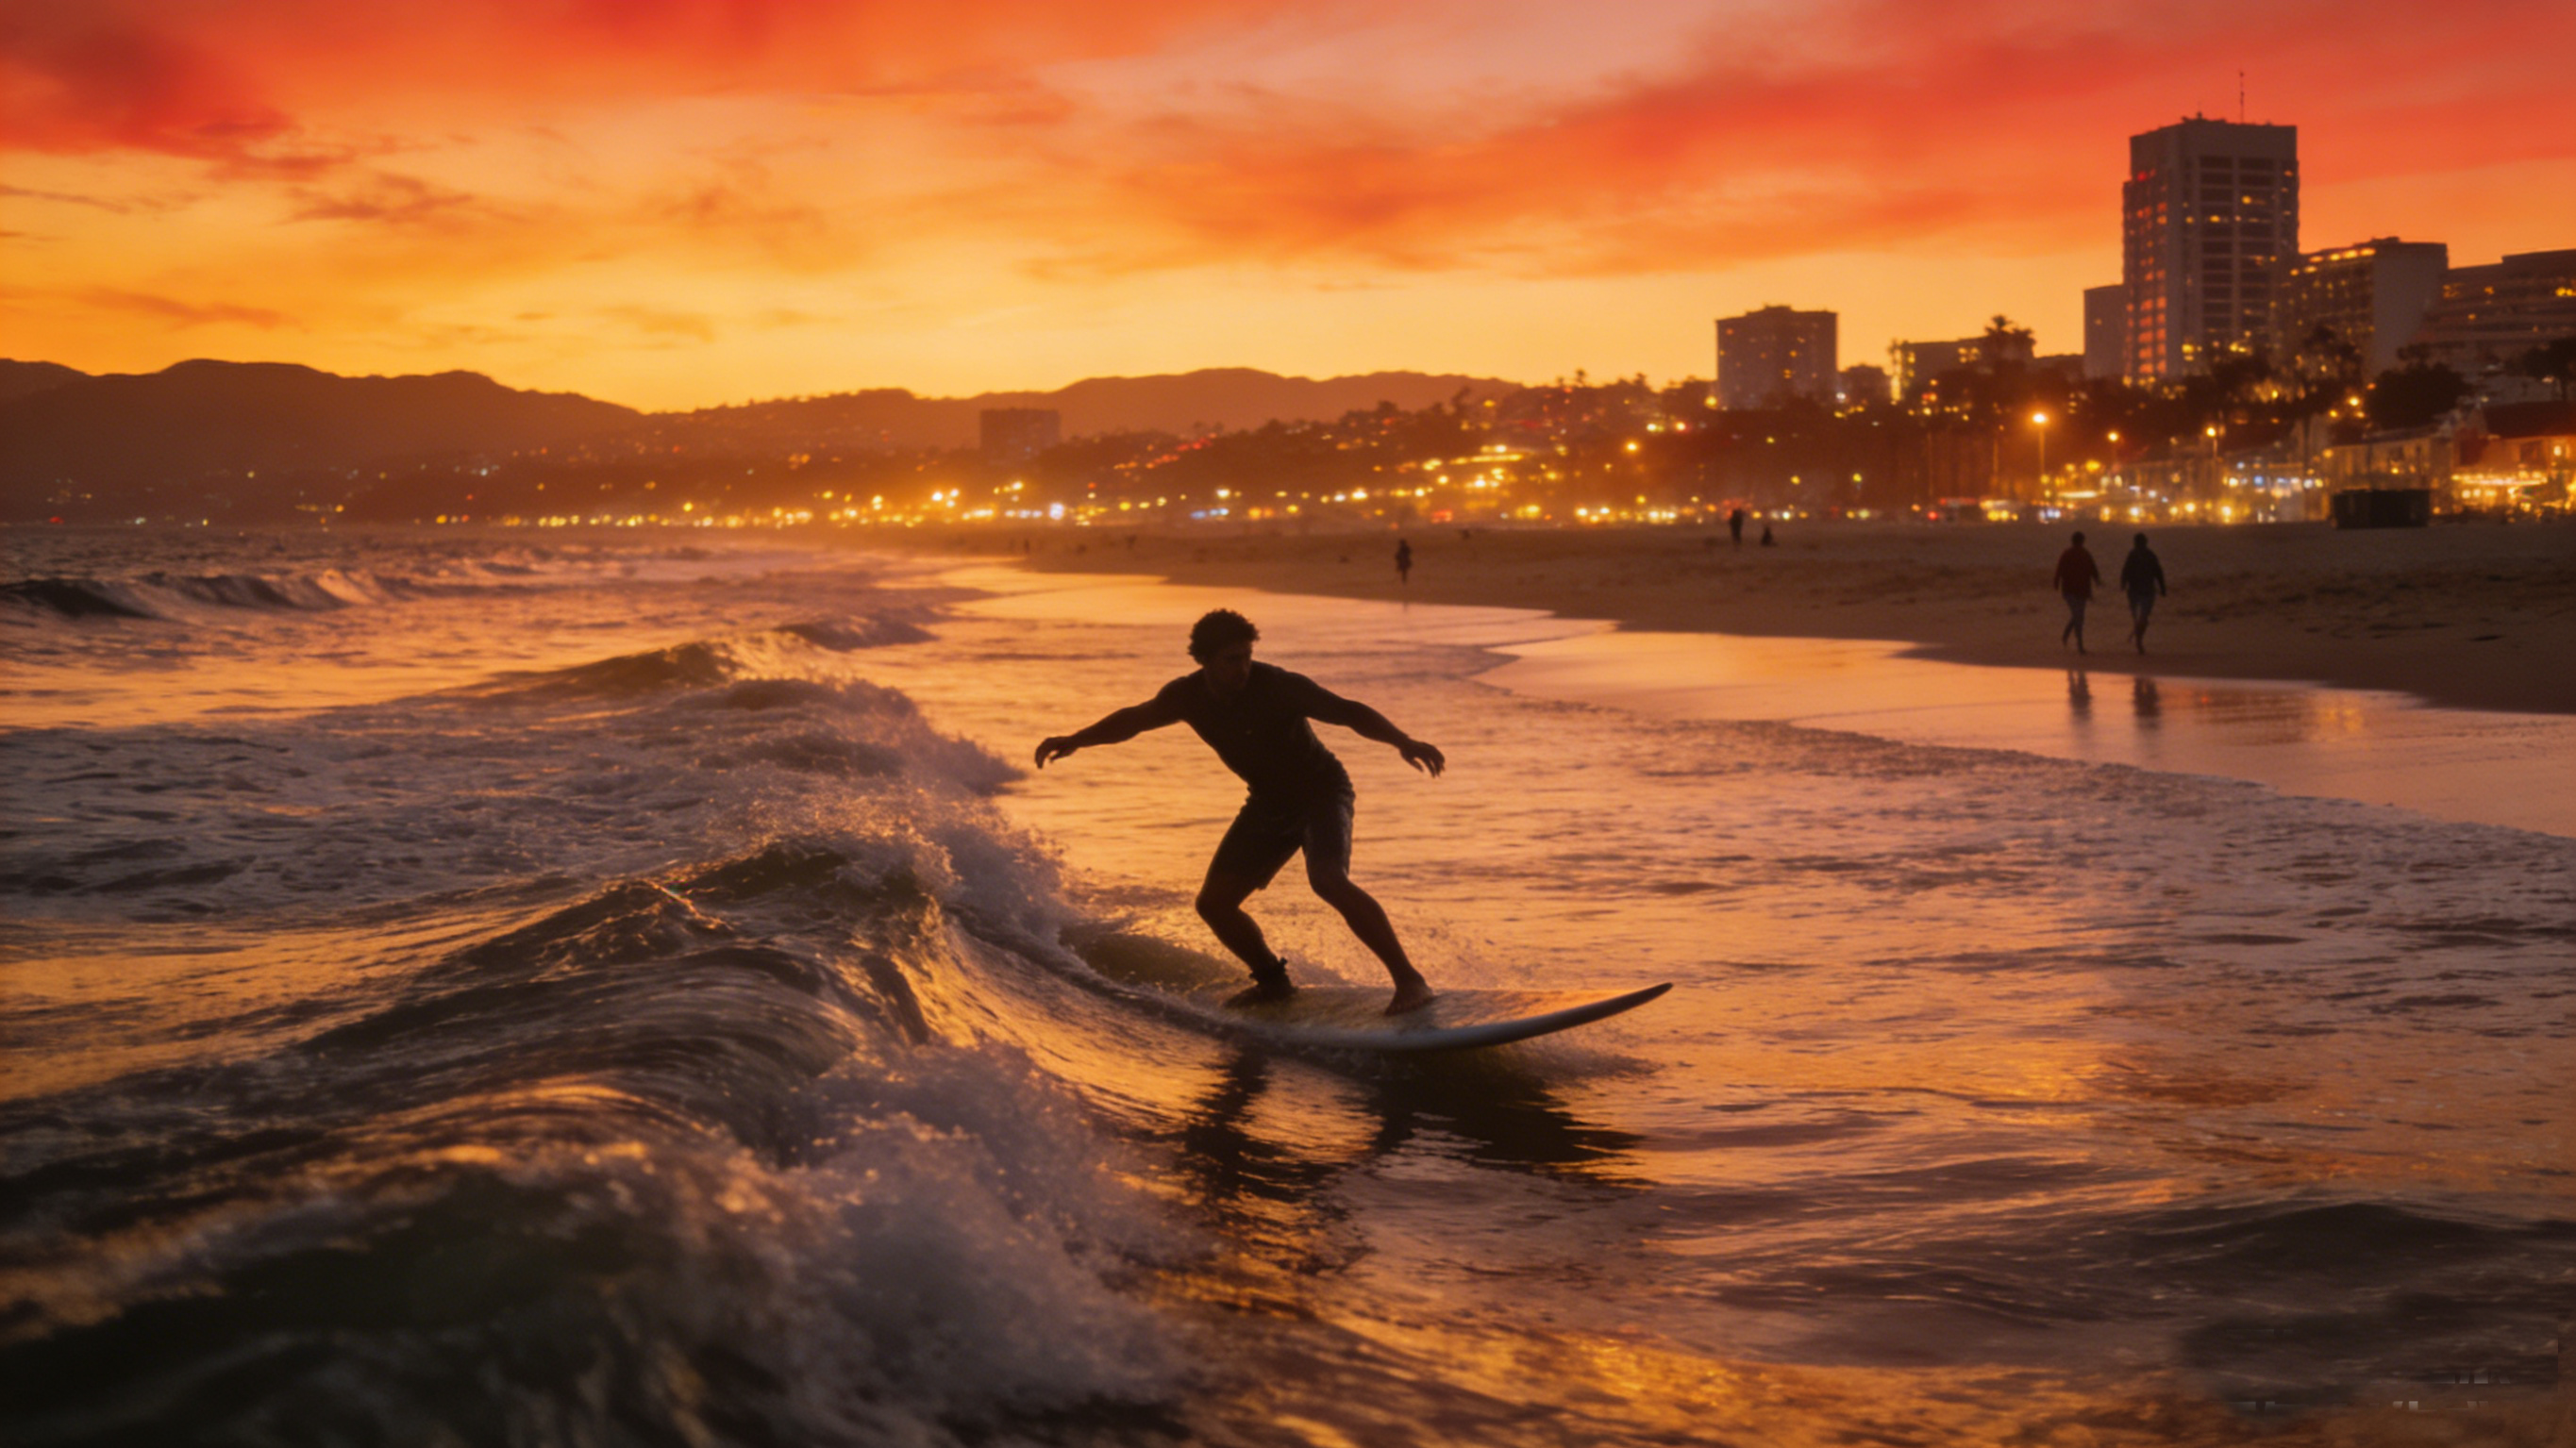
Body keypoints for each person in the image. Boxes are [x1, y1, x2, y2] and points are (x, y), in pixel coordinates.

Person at [1034, 608, 1445, 1014]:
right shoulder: (1185, 696)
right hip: (1268, 803)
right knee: (1214, 904)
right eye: (1232, 659)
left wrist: (1401, 741)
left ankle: (1410, 980)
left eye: (1247, 656)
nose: (1243, 667)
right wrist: (1078, 739)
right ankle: (1272, 982)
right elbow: (1134, 720)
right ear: (1205, 660)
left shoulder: (1278, 686)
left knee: (1328, 880)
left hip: (1321, 792)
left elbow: (1348, 711)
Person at [2051, 530, 2101, 654]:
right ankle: (2080, 645)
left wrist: (2056, 583)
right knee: (2079, 617)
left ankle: (2067, 635)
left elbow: (2059, 570)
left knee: (2078, 616)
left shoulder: (2069, 554)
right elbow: (2093, 570)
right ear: (2082, 541)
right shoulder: (2083, 554)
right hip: (2078, 591)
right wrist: (2097, 581)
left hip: (2072, 591)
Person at [2118, 532, 2167, 654]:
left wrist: (2162, 587)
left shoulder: (2150, 556)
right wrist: (2123, 584)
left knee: (2143, 619)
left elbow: (2157, 572)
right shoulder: (2133, 555)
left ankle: (2138, 639)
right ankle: (2138, 640)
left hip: (2146, 591)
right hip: (2136, 591)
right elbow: (2126, 571)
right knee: (2138, 618)